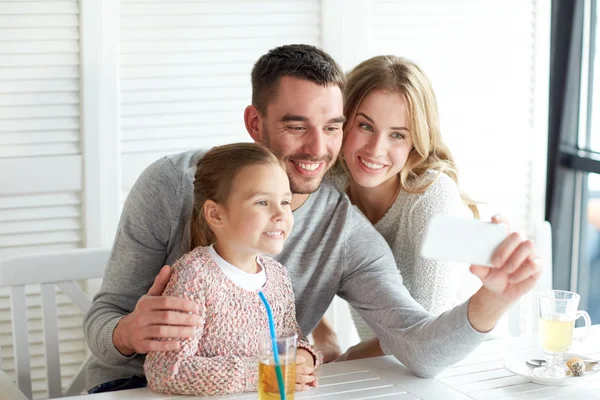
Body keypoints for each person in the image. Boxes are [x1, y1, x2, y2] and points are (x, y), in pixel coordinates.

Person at [83, 44, 541, 393]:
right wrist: (127, 331)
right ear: (254, 122)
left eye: (333, 127)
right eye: (296, 125)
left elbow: (417, 348)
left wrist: (494, 299)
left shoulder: (343, 229)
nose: (317, 149)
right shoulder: (172, 184)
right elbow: (102, 320)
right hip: (127, 390)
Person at [316, 55, 483, 359]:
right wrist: (324, 335)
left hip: (461, 365)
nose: (376, 149)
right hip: (387, 368)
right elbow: (287, 268)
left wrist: (345, 360)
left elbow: (429, 335)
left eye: (397, 134)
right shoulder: (331, 185)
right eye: (365, 126)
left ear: (416, 141)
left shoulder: (432, 195)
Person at [142, 143, 322, 396]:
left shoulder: (278, 277)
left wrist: (304, 357)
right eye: (262, 202)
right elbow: (167, 371)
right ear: (215, 214)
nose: (281, 214)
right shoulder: (195, 276)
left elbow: (291, 340)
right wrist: (264, 373)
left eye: (285, 201)